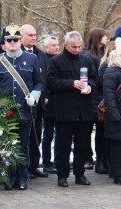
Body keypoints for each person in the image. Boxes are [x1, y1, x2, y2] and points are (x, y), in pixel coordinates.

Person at [0, 23, 44, 190]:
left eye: (15, 40)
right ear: (4, 42)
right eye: (9, 40)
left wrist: (34, 95)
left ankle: (22, 178)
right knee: (6, 146)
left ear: (20, 41)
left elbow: (40, 82)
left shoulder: (32, 59)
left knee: (23, 145)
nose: (12, 43)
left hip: (25, 111)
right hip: (5, 113)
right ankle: (8, 177)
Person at [47, 31, 98, 187]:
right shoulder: (56, 61)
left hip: (84, 111)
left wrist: (90, 86)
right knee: (63, 146)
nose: (76, 49)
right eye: (73, 47)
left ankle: (79, 174)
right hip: (65, 110)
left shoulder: (86, 60)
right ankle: (62, 176)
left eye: (78, 46)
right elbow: (51, 82)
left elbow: (95, 78)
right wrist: (71, 84)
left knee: (82, 145)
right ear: (65, 45)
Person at [20, 24, 48, 178]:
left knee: (37, 133)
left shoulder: (40, 54)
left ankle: (34, 165)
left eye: (35, 35)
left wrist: (46, 95)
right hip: (23, 103)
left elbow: (45, 77)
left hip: (39, 102)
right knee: (26, 136)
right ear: (22, 37)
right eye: (30, 35)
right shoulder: (17, 54)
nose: (33, 38)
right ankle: (24, 167)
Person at [81, 28, 108, 172]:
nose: (106, 39)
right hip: (90, 98)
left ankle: (101, 159)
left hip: (102, 99)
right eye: (104, 37)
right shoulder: (87, 56)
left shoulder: (105, 54)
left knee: (101, 132)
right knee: (86, 131)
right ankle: (87, 158)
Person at [102, 37, 121, 185]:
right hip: (117, 116)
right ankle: (117, 174)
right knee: (116, 146)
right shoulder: (111, 72)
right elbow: (109, 96)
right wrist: (115, 115)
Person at [42, 36, 60, 174]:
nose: (56, 47)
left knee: (60, 134)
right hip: (49, 102)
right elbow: (44, 80)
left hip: (60, 102)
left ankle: (58, 161)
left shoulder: (59, 60)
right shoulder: (43, 60)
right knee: (48, 134)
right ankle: (47, 162)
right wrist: (45, 96)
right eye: (53, 45)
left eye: (57, 45)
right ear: (46, 47)